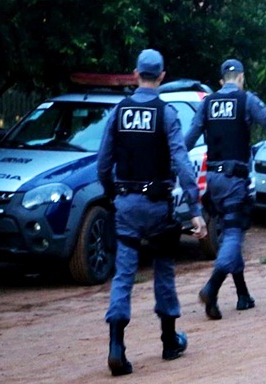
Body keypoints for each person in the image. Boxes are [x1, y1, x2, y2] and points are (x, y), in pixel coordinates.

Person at [97, 48, 207, 376]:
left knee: (124, 275)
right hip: (158, 206)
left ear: (135, 74)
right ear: (161, 76)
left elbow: (103, 163)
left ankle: (116, 346)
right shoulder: (166, 113)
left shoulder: (119, 112)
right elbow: (182, 163)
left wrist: (112, 194)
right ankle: (169, 341)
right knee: (164, 271)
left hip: (126, 203)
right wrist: (195, 208)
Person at [184, 58, 266, 320]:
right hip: (235, 180)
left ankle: (243, 294)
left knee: (228, 233)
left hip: (213, 179)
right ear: (241, 78)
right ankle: (212, 287)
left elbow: (187, 140)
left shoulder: (207, 103)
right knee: (233, 234)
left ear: (222, 81)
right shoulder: (246, 100)